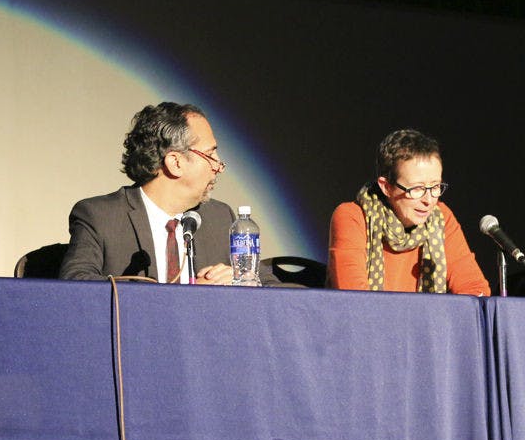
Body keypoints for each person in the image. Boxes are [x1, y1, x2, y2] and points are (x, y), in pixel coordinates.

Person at [59, 102, 277, 285]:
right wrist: (179, 296)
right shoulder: (100, 216)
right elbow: (76, 283)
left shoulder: (220, 218)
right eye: (210, 155)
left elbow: (282, 289)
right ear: (175, 162)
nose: (218, 165)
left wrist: (245, 279)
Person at [327, 129, 490, 295]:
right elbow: (353, 298)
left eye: (435, 186)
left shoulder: (441, 216)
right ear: (387, 187)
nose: (429, 200)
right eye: (417, 188)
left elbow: (475, 290)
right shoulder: (352, 217)